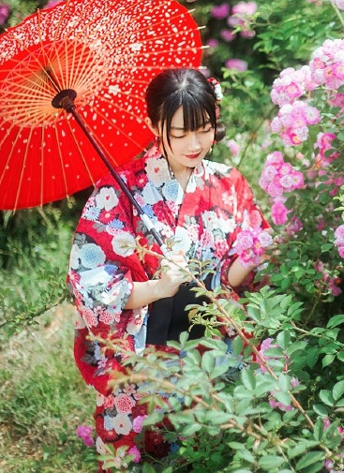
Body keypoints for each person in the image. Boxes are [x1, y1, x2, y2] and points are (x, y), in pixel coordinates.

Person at [67, 68, 268, 469]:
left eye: (204, 129)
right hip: (145, 350)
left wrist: (255, 252)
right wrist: (159, 287)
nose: (195, 144)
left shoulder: (229, 183)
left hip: (211, 345)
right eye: (180, 133)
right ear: (154, 125)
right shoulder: (116, 191)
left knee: (213, 452)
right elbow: (92, 286)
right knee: (136, 453)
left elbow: (235, 278)